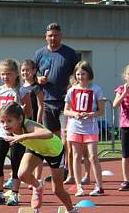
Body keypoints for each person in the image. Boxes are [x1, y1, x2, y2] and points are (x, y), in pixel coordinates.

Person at [0, 102, 81, 213]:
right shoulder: (12, 128)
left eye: (9, 121)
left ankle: (72, 212)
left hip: (54, 151)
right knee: (22, 174)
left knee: (57, 190)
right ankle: (38, 186)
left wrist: (23, 136)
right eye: (3, 121)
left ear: (20, 119)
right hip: (36, 149)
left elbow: (48, 133)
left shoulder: (28, 125)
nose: (5, 125)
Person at [33, 23, 80, 178]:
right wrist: (38, 78)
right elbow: (30, 74)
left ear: (61, 36)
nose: (53, 38)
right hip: (46, 102)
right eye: (50, 35)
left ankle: (68, 170)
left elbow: (79, 73)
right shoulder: (39, 54)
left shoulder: (70, 54)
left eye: (56, 35)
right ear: (46, 37)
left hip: (65, 103)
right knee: (52, 139)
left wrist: (72, 86)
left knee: (66, 139)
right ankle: (56, 170)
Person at [0, 59, 32, 206]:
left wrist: (21, 114)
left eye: (9, 74)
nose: (6, 77)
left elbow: (29, 112)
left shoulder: (22, 90)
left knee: (16, 163)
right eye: (3, 74)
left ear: (16, 74)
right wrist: (2, 123)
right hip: (1, 132)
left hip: (17, 134)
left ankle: (15, 194)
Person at [63, 61, 105, 196]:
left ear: (89, 74)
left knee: (93, 156)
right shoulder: (71, 90)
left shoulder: (96, 89)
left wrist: (91, 114)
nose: (80, 76)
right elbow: (66, 111)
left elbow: (101, 111)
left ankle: (99, 186)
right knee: (76, 156)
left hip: (91, 128)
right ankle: (79, 185)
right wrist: (75, 114)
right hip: (75, 127)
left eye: (83, 73)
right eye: (78, 74)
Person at [20, 58, 46, 183]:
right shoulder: (20, 89)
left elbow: (41, 106)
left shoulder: (36, 88)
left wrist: (38, 122)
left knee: (37, 150)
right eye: (23, 70)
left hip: (35, 122)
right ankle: (27, 174)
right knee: (27, 149)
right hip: (24, 123)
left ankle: (38, 176)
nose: (25, 73)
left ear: (34, 71)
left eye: (28, 70)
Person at [114, 63, 129, 190]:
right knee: (125, 155)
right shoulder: (121, 89)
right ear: (125, 76)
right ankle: (126, 180)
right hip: (126, 125)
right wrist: (124, 94)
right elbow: (115, 105)